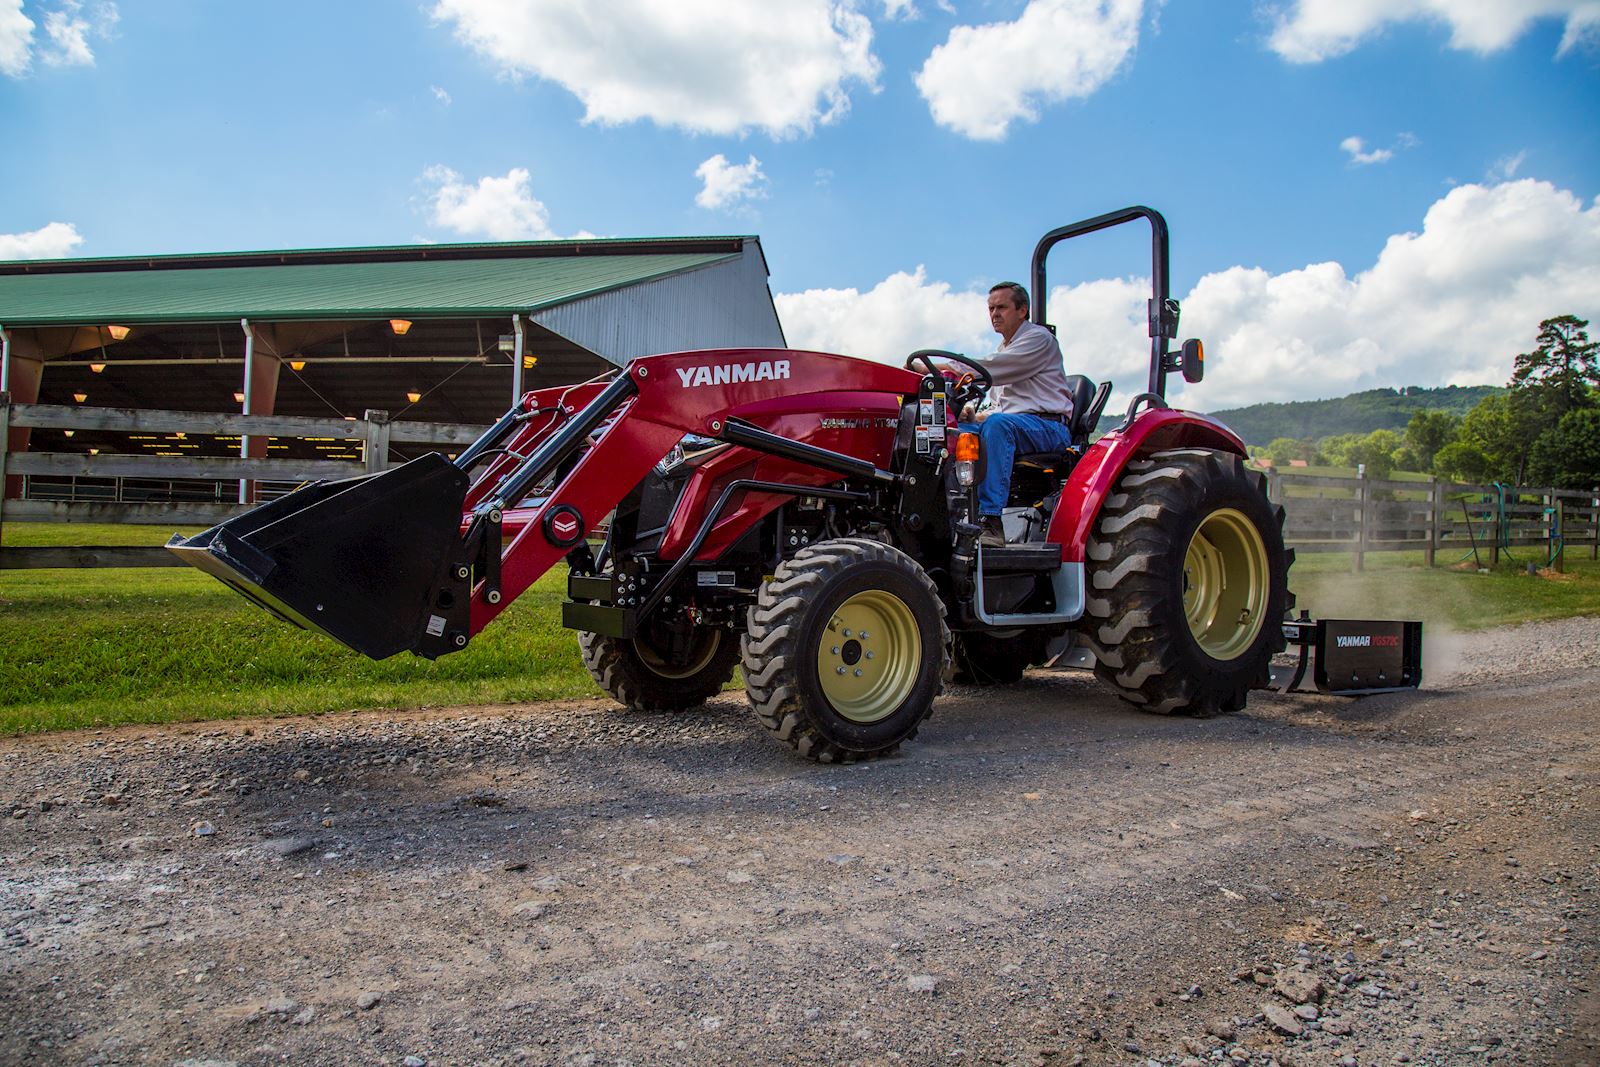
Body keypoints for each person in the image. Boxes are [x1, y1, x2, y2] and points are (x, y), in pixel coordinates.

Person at [957, 282, 1075, 547]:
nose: (994, 314)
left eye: (1001, 307)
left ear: (1022, 310)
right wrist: (972, 416)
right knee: (953, 432)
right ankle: (951, 513)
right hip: (1015, 424)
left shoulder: (1038, 339)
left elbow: (995, 370)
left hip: (1048, 427)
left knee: (999, 426)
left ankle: (990, 520)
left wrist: (950, 367)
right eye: (991, 309)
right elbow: (1001, 407)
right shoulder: (1005, 349)